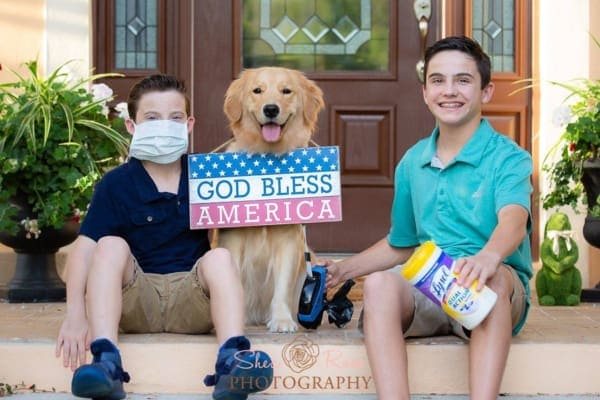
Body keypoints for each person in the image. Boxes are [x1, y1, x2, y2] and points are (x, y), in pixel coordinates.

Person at [325, 36, 533, 400]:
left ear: (486, 91)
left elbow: (513, 220)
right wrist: (345, 269)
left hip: (488, 294)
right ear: (424, 92)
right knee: (378, 285)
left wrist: (488, 257)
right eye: (438, 80)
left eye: (463, 80)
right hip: (429, 285)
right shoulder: (412, 162)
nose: (449, 91)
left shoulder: (508, 158)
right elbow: (401, 244)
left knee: (495, 279)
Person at [55, 74, 273, 400]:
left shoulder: (209, 175)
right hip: (136, 297)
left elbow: (265, 208)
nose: (164, 125)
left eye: (174, 117)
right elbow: (83, 251)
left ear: (189, 124)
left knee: (220, 257)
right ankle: (107, 364)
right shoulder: (116, 184)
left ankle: (232, 362)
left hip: (193, 297)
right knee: (109, 245)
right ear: (132, 126)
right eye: (152, 118)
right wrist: (75, 314)